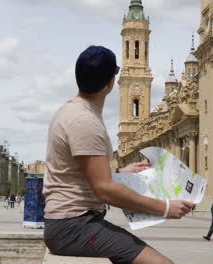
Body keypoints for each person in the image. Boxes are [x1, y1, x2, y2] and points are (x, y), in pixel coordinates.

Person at [42, 46, 194, 264]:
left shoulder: (74, 111)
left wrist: (120, 171)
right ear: (111, 84)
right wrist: (165, 207)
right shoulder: (85, 121)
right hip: (74, 226)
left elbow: (79, 172)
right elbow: (104, 190)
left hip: (70, 223)